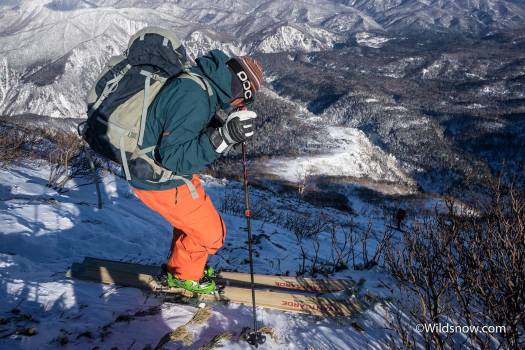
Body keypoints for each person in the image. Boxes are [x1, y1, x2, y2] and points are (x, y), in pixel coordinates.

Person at [130, 50, 264, 293]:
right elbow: (173, 157)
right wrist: (223, 138)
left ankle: (181, 269)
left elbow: (183, 126)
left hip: (152, 169)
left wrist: (222, 130)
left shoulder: (198, 84)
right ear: (238, 89)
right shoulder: (195, 96)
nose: (243, 104)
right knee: (211, 233)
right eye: (246, 98)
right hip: (158, 177)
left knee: (195, 224)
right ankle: (184, 279)